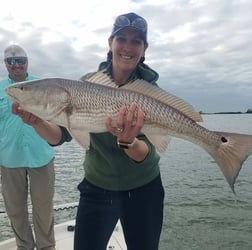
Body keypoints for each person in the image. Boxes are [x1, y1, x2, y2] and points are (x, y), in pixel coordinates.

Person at [12, 12, 165, 250]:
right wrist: (37, 122)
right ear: (110, 43)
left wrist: (128, 142)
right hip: (98, 187)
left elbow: (145, 153)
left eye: (136, 41)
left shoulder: (150, 94)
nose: (127, 47)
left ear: (144, 48)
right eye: (121, 39)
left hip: (143, 188)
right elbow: (60, 136)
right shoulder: (85, 85)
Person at [0, 44, 58, 250]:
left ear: (27, 62)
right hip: (9, 159)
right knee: (15, 210)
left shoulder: (43, 85)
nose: (16, 65)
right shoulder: (0, 89)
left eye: (21, 61)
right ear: (6, 63)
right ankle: (24, 247)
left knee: (43, 209)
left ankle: (46, 247)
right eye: (11, 61)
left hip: (41, 155)